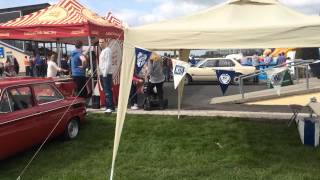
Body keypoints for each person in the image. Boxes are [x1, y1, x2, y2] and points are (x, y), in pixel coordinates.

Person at [98, 38, 115, 113]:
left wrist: (104, 73)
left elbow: (108, 63)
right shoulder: (103, 51)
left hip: (106, 74)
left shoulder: (107, 50)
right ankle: (109, 106)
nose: (100, 43)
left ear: (106, 42)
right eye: (99, 42)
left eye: (102, 42)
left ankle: (110, 107)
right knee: (106, 90)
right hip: (103, 73)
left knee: (107, 90)